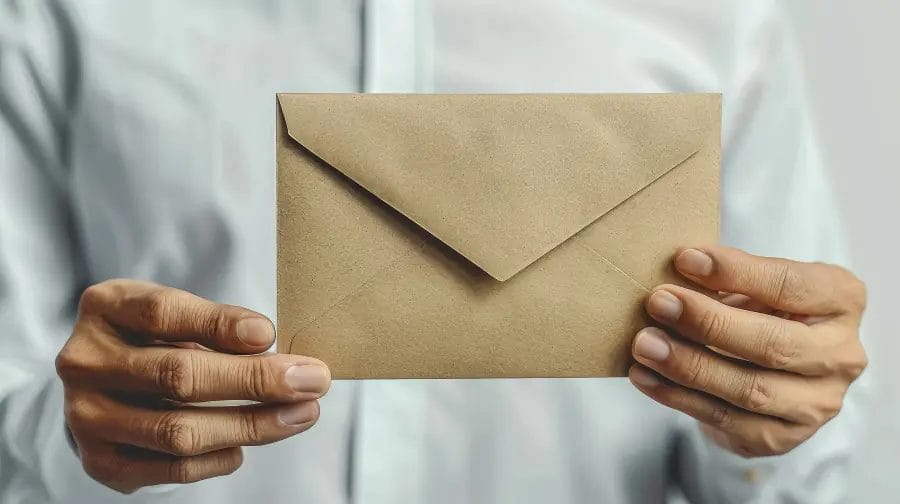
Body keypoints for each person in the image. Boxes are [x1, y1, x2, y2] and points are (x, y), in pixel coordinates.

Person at [0, 1, 870, 503]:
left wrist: (768, 422)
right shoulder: (63, 13)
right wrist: (64, 431)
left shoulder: (718, 15)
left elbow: (801, 464)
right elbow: (14, 396)